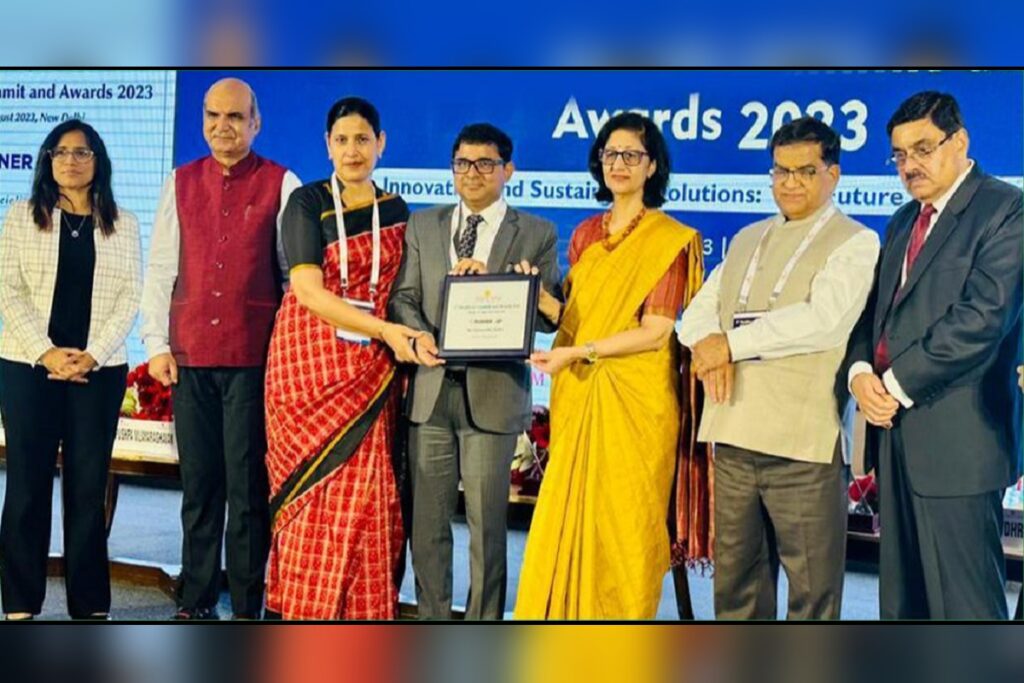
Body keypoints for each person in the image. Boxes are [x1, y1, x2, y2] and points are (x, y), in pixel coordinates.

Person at [678, 117, 880, 619]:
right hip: (733, 433)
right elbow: (696, 315)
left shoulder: (856, 242)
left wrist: (729, 345)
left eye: (805, 171)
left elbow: (823, 322)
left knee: (812, 595)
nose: (790, 183)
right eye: (780, 171)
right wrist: (708, 345)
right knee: (736, 591)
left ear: (833, 174)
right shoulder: (747, 238)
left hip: (802, 445)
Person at [514, 112, 704, 619]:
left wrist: (579, 353)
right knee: (568, 521)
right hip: (580, 394)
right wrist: (534, 294)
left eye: (632, 155)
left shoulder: (669, 239)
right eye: (610, 154)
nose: (619, 164)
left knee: (625, 527)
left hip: (637, 405)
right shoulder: (584, 234)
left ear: (652, 165)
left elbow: (656, 331)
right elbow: (574, 320)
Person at [844, 91, 1022, 619]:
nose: (909, 166)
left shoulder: (1006, 209)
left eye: (923, 149)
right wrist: (860, 372)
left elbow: (982, 319)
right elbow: (876, 311)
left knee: (965, 610)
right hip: (894, 439)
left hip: (960, 443)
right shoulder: (903, 220)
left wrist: (893, 385)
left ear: (959, 141)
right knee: (904, 604)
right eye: (899, 155)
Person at [140, 78, 301, 620]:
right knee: (200, 487)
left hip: (254, 360)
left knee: (249, 490)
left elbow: (292, 277)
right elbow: (161, 268)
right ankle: (197, 599)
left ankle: (250, 606)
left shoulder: (282, 183)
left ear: (256, 123)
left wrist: (286, 354)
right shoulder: (179, 182)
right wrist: (156, 344)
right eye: (212, 116)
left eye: (234, 116)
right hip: (190, 358)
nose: (222, 126)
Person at [389, 123, 562, 619]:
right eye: (463, 163)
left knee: (487, 529)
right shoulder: (423, 225)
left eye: (486, 164)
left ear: (509, 170)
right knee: (427, 526)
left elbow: (550, 318)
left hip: (493, 394)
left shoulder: (537, 233)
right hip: (431, 391)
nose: (472, 173)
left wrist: (510, 287)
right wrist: (420, 336)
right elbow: (403, 297)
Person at [264, 97, 426, 620]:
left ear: (381, 143)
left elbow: (407, 290)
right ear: (327, 146)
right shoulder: (307, 202)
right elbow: (308, 291)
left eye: (362, 139)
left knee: (369, 492)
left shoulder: (398, 211)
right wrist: (384, 330)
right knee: (309, 495)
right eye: (341, 140)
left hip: (373, 370)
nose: (352, 151)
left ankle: (364, 616)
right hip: (307, 369)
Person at [0, 120, 141, 620]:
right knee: (27, 484)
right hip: (28, 367)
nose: (70, 161)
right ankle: (20, 603)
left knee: (87, 486)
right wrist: (47, 352)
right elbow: (8, 290)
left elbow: (130, 296)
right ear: (47, 161)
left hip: (97, 372)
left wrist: (92, 354)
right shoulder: (22, 216)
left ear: (98, 160)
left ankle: (90, 605)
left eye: (81, 152)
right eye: (60, 152)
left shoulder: (123, 222)